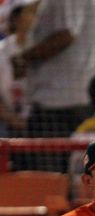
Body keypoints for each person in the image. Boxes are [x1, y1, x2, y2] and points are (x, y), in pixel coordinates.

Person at [12, 0, 95, 171]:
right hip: (66, 99)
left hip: (59, 103)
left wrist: (24, 57)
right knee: (67, 178)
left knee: (49, 178)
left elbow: (66, 35)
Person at [0, 0, 38, 136]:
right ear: (15, 18)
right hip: (7, 122)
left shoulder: (46, 49)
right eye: (31, 12)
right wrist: (12, 119)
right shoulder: (2, 50)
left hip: (40, 121)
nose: (36, 18)